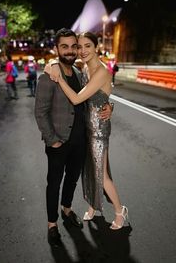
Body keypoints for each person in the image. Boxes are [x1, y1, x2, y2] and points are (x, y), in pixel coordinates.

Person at [34, 28, 112, 247]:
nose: (70, 51)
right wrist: (52, 140)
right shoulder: (49, 75)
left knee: (72, 179)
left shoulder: (79, 73)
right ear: (57, 48)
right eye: (64, 46)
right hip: (58, 141)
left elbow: (92, 98)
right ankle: (52, 224)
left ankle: (67, 210)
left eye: (73, 46)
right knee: (54, 183)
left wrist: (109, 106)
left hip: (80, 140)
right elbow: (40, 111)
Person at [46, 31, 128, 232]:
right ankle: (93, 206)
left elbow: (76, 99)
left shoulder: (100, 71)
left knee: (101, 174)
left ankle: (120, 211)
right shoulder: (84, 69)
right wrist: (50, 64)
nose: (82, 51)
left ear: (96, 47)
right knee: (89, 170)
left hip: (99, 130)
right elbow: (101, 97)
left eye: (87, 46)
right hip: (85, 129)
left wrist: (58, 79)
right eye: (79, 47)